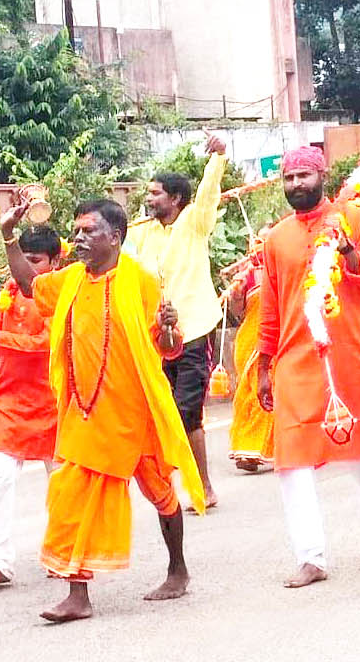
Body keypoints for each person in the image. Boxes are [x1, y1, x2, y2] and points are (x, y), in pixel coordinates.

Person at [5, 199, 204, 622]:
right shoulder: (71, 279)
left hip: (133, 414)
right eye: (76, 231)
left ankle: (178, 569)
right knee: (70, 497)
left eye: (88, 231)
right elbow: (30, 286)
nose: (78, 239)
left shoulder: (141, 281)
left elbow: (167, 348)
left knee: (161, 493)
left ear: (114, 237)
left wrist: (168, 329)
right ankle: (77, 595)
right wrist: (8, 237)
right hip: (82, 412)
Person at [255, 146, 360, 588]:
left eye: (304, 175)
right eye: (289, 178)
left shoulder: (354, 220)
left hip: (349, 353)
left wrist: (347, 253)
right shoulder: (276, 237)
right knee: (291, 458)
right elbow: (270, 307)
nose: (296, 184)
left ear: (321, 176)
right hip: (294, 357)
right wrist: (265, 366)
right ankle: (311, 557)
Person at [123, 134, 228, 510]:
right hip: (155, 337)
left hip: (195, 330)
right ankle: (167, 488)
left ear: (175, 199)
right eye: (148, 193)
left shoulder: (194, 223)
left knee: (186, 413)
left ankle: (204, 487)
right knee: (159, 413)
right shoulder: (140, 233)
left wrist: (217, 158)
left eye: (155, 193)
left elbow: (208, 194)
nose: (149, 199)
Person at [0, 225, 63, 587]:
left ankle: (62, 551)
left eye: (35, 261)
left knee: (60, 482)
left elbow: (46, 343)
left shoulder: (59, 295)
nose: (25, 268)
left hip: (53, 399)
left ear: (55, 261)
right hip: (10, 399)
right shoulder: (6, 293)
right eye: (21, 259)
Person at [228, 259, 274, 473]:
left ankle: (254, 450)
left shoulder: (281, 266)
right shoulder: (247, 275)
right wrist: (235, 294)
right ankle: (245, 448)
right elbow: (238, 312)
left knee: (265, 396)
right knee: (247, 395)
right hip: (249, 341)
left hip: (274, 338)